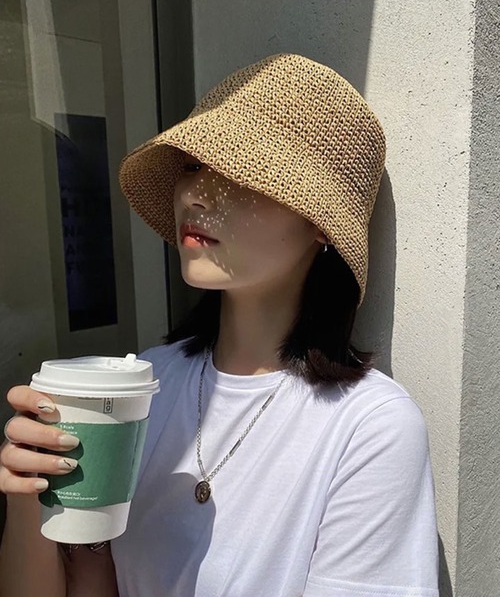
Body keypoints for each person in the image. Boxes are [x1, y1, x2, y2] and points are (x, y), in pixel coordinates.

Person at [0, 54, 439, 596]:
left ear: (323, 224)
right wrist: (30, 495)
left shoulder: (370, 427)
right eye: (191, 166)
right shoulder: (144, 386)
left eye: (241, 172)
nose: (196, 192)